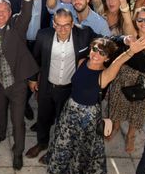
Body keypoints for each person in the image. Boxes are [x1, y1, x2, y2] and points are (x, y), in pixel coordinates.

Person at [45, 36, 145, 174]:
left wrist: (130, 52)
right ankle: (58, 167)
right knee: (64, 141)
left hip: (87, 116)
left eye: (102, 53)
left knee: (81, 149)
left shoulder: (105, 75)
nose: (96, 54)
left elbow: (117, 63)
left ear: (107, 58)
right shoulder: (82, 63)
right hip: (70, 109)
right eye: (94, 49)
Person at [0, 0, 40, 170]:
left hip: (17, 84)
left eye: (4, 11)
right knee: (0, 111)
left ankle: (18, 152)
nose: (0, 14)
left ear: (10, 13)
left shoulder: (17, 25)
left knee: (17, 120)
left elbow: (26, 14)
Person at [25, 9, 94, 160]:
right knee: (43, 118)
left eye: (67, 25)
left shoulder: (84, 34)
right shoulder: (43, 35)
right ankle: (42, 143)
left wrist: (125, 40)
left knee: (63, 122)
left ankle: (55, 150)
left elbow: (106, 40)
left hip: (69, 89)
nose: (62, 29)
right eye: (59, 25)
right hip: (47, 86)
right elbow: (35, 58)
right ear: (53, 24)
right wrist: (32, 78)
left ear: (72, 24)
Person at [109, 7, 145, 153]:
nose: (143, 23)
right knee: (119, 104)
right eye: (139, 20)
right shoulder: (131, 38)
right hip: (126, 77)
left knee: (139, 110)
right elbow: (127, 21)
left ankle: (130, 135)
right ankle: (116, 126)